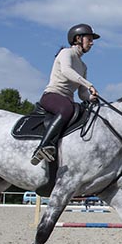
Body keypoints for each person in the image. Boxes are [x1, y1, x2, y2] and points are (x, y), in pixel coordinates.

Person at [30, 23, 100, 165]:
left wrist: (90, 97)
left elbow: (82, 94)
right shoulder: (66, 53)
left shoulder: (83, 66)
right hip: (52, 96)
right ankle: (43, 146)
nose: (92, 43)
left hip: (68, 100)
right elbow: (67, 71)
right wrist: (89, 85)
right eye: (89, 39)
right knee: (66, 109)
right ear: (78, 38)